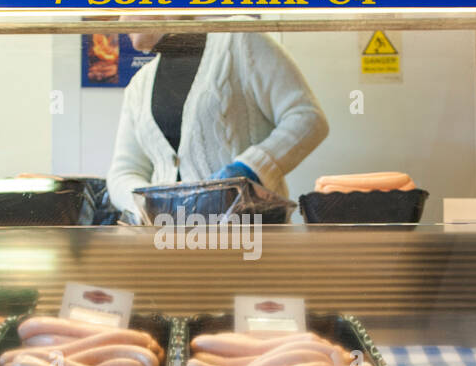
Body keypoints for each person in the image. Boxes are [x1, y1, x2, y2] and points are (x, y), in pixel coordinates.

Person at [106, 22, 329, 220]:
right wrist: (154, 205)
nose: (120, 21)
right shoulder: (138, 85)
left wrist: (248, 170)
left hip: (252, 237)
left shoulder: (239, 38)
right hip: (169, 243)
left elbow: (307, 117)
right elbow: (123, 172)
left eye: (125, 8)